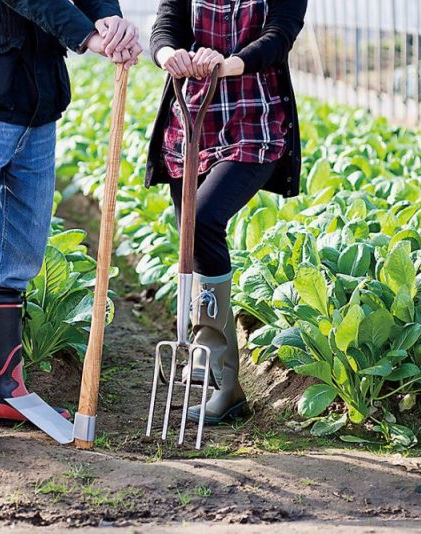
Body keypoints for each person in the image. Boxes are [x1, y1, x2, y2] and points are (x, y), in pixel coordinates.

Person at [0, 1, 141, 451]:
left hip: (37, 104)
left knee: (21, 253)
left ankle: (4, 385)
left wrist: (109, 15)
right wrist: (88, 35)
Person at [146, 0, 307, 424]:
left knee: (202, 221)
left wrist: (231, 63)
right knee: (191, 239)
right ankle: (225, 386)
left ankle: (219, 373)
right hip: (193, 117)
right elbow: (166, 25)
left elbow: (280, 34)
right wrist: (168, 54)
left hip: (255, 121)